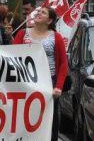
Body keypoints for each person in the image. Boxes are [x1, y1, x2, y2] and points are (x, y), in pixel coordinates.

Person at [12, 7, 68, 141]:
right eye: (38, 11)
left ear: (49, 20)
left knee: (49, 119)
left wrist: (58, 87)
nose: (38, 13)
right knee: (26, 116)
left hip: (49, 83)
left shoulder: (56, 37)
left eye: (43, 12)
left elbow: (63, 64)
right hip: (26, 83)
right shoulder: (22, 34)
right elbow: (12, 57)